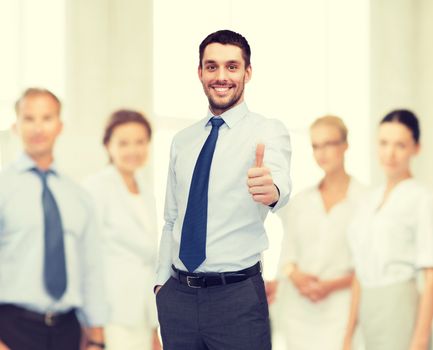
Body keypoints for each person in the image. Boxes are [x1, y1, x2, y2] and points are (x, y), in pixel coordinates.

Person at [155, 29, 291, 350]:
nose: (221, 76)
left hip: (237, 299)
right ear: (200, 72)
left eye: (232, 67)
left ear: (248, 72)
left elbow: (280, 185)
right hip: (178, 298)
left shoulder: (267, 131)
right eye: (212, 66)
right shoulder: (182, 141)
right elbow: (172, 219)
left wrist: (269, 189)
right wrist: (161, 284)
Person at [0, 88, 106, 350]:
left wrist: (96, 339)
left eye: (46, 118)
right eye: (29, 118)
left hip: (68, 331)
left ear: (59, 126)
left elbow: (91, 270)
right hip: (12, 328)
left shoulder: (79, 196)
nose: (38, 127)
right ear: (15, 126)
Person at [343, 110, 433, 350]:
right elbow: (359, 273)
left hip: (400, 305)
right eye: (383, 143)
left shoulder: (422, 198)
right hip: (368, 309)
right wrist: (348, 335)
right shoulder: (368, 201)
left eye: (400, 145)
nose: (390, 154)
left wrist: (421, 339)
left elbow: (430, 273)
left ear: (416, 148)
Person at [273, 116, 364, 350]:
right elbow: (287, 258)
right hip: (299, 312)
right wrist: (297, 277)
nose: (322, 153)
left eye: (329, 144)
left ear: (345, 145)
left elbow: (367, 266)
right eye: (316, 146)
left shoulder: (365, 200)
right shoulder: (301, 201)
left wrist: (330, 285)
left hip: (341, 312)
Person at [84, 110, 161, 350]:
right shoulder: (96, 187)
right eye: (123, 143)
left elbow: (150, 257)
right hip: (111, 313)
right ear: (108, 145)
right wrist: (93, 328)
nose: (133, 150)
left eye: (140, 142)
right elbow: (87, 257)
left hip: (142, 311)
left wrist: (153, 327)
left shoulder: (146, 189)